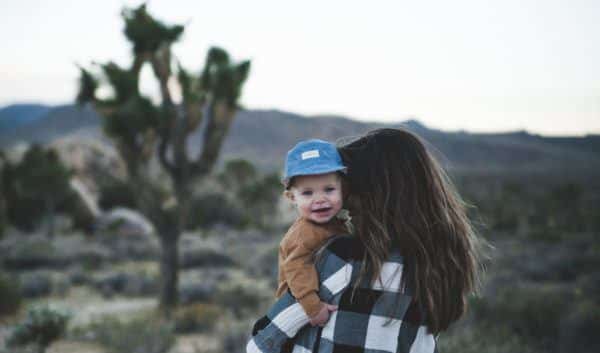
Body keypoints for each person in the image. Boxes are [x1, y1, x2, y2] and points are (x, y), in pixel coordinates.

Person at [248, 128, 482, 353]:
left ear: (374, 191)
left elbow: (260, 346)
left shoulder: (346, 258)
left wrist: (306, 308)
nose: (346, 204)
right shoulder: (439, 267)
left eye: (343, 188)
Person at [276, 139, 349, 327]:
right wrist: (313, 308)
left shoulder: (335, 224)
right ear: (292, 197)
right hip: (298, 309)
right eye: (308, 193)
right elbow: (295, 266)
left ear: (343, 189)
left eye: (329, 189)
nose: (320, 199)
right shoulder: (304, 232)